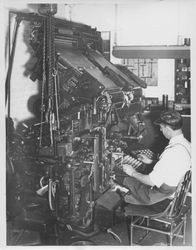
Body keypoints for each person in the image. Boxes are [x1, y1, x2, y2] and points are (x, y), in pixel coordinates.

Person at [118, 110, 191, 205]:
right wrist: (151, 161)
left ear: (168, 129)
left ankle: (116, 207)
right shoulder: (187, 144)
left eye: (161, 127)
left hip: (155, 195)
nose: (160, 130)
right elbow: (173, 166)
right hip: (173, 191)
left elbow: (150, 181)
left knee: (119, 177)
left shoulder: (172, 151)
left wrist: (132, 172)